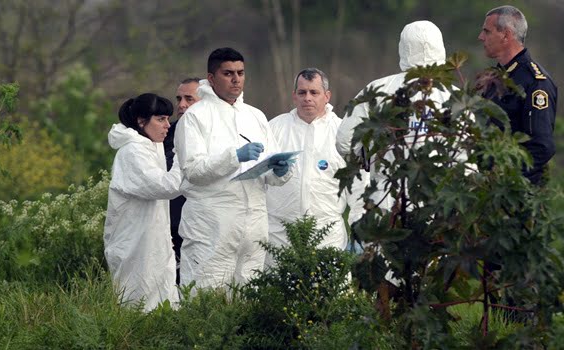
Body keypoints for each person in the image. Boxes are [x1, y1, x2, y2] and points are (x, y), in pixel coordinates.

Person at [174, 47, 293, 289]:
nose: (236, 79)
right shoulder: (195, 117)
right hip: (212, 224)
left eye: (240, 72)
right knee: (207, 294)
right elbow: (193, 171)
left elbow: (269, 165)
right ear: (211, 78)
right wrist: (233, 157)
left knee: (250, 293)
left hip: (253, 224)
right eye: (228, 73)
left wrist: (280, 171)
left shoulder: (255, 116)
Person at [336, 20, 453, 212]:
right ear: (440, 48)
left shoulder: (376, 90)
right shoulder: (454, 96)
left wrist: (368, 157)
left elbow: (345, 141)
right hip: (438, 205)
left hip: (387, 200)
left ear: (403, 48)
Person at [266, 68, 365, 263]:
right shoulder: (275, 128)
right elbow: (259, 176)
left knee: (327, 290)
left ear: (327, 96)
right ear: (294, 96)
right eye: (302, 93)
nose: (307, 98)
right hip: (280, 233)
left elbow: (358, 183)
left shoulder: (342, 133)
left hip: (327, 233)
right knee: (279, 291)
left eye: (314, 92)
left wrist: (359, 225)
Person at [104, 93, 182, 312]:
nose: (167, 125)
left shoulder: (150, 145)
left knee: (161, 304)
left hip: (152, 241)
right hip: (135, 245)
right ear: (141, 121)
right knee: (138, 308)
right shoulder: (132, 152)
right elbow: (165, 187)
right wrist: (182, 156)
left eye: (168, 118)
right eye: (160, 119)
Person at [477, 5, 557, 185]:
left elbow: (542, 147)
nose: (481, 37)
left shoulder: (535, 82)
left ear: (505, 35)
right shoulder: (495, 77)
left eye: (487, 32)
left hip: (518, 196)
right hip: (488, 194)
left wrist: (505, 180)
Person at [163, 77, 201, 284]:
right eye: (179, 99)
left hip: (201, 224)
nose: (181, 105)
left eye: (189, 99)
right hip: (170, 226)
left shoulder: (216, 135)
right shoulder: (166, 134)